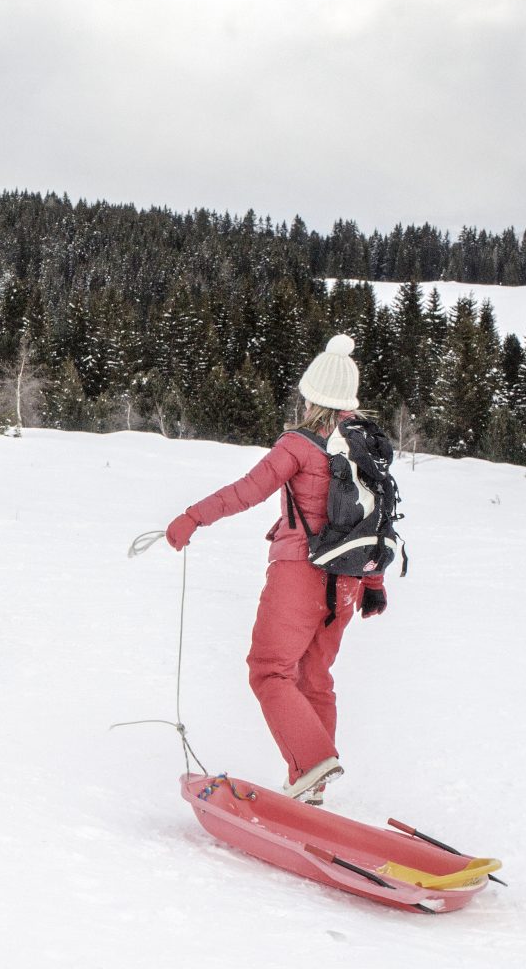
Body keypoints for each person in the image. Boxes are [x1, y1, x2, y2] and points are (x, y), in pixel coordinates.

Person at [162, 335, 387, 805]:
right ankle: (311, 784)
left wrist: (192, 516)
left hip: (299, 573)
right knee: (314, 677)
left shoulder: (299, 444)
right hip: (346, 580)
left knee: (268, 671)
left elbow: (249, 489)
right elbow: (378, 517)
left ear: (310, 395)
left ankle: (312, 763)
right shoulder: (364, 446)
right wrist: (373, 583)